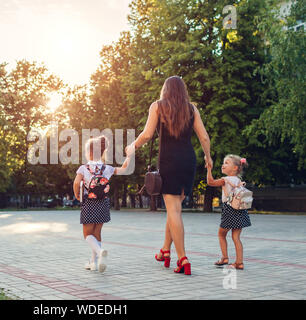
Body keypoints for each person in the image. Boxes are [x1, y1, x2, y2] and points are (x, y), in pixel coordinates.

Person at [125, 76, 213, 275]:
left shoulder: (157, 106)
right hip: (188, 161)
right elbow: (204, 136)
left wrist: (133, 146)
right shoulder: (191, 109)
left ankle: (183, 258)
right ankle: (165, 250)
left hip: (168, 162)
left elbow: (147, 134)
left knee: (174, 210)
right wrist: (208, 158)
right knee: (175, 209)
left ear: (165, 90)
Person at [73, 135, 130, 273]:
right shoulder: (107, 169)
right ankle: (95, 263)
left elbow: (76, 183)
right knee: (97, 232)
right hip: (103, 203)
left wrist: (77, 194)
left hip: (89, 202)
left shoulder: (83, 168)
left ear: (89, 152)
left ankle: (99, 251)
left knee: (87, 235)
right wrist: (129, 155)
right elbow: (124, 169)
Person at [207, 154, 251, 270]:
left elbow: (210, 182)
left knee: (221, 234)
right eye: (223, 162)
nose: (223, 164)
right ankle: (239, 262)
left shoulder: (225, 180)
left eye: (227, 163)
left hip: (229, 210)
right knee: (236, 237)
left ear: (235, 168)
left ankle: (225, 258)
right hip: (241, 210)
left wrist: (209, 169)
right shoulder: (238, 180)